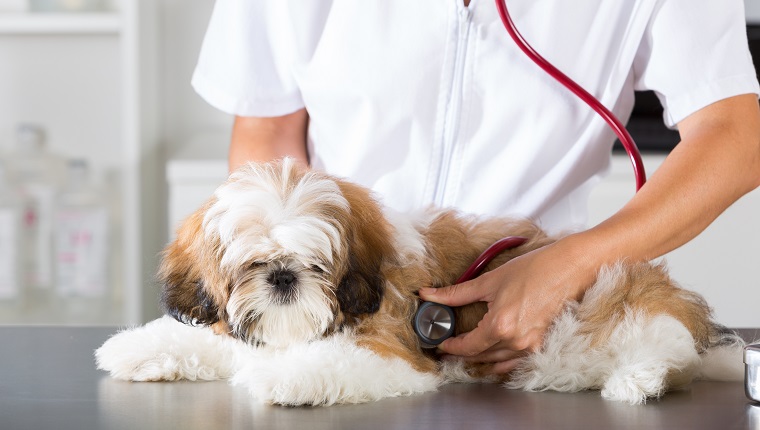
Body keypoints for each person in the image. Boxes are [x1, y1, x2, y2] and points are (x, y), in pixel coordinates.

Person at [191, 0, 760, 375]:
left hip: (545, 325)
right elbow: (268, 129)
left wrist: (573, 265)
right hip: (346, 297)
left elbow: (735, 136)